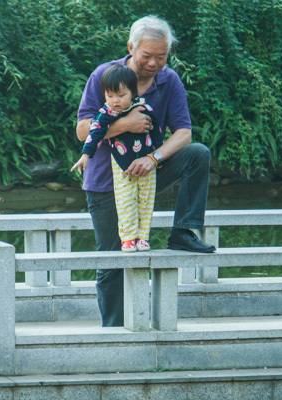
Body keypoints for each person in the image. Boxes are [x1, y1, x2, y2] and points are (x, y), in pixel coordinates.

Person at [76, 15, 215, 327]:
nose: (154, 63)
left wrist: (154, 158)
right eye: (147, 56)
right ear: (130, 48)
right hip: (106, 181)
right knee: (112, 259)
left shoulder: (170, 80)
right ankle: (114, 331)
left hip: (147, 169)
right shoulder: (106, 75)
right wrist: (125, 124)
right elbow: (83, 131)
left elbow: (183, 133)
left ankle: (183, 232)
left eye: (162, 57)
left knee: (197, 154)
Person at [71, 64, 163, 252]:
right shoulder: (106, 113)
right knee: (125, 200)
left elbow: (156, 130)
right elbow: (94, 133)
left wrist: (156, 156)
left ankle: (143, 237)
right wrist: (85, 155)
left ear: (133, 92)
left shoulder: (143, 107)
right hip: (122, 164)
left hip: (146, 162)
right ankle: (128, 238)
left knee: (145, 200)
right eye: (110, 96)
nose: (115, 101)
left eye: (121, 96)